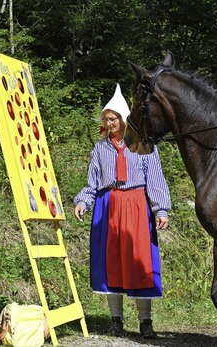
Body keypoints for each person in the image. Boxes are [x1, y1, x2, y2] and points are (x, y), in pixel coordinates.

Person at [73, 83, 171, 338]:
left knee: (140, 260)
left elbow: (156, 178)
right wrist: (83, 202)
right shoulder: (100, 148)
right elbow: (92, 182)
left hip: (137, 204)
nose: (109, 123)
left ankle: (145, 322)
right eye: (106, 119)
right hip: (109, 206)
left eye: (113, 118)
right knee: (111, 261)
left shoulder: (144, 144)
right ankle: (116, 320)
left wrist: (160, 210)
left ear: (123, 118)